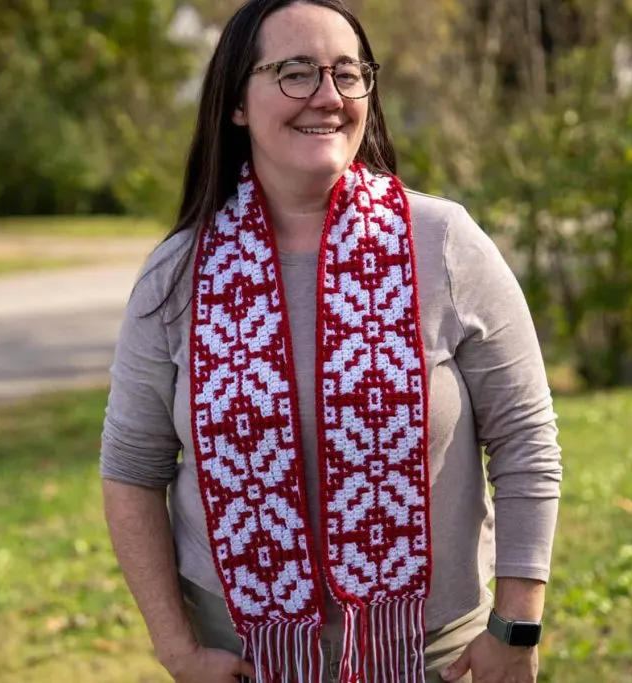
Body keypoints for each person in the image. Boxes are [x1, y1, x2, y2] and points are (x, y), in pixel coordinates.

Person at [99, 0, 563, 681]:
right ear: (235, 102)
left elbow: (526, 439)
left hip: (438, 659)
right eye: (294, 72)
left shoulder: (443, 243)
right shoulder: (178, 275)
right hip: (244, 663)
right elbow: (133, 470)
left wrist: (515, 627)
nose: (328, 96)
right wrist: (178, 649)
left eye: (348, 73)